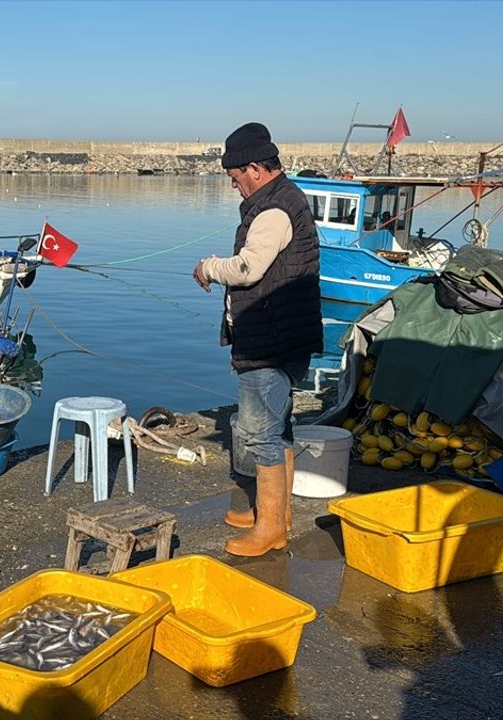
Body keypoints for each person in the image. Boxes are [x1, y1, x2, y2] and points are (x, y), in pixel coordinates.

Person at [193, 122, 322, 557]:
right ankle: (275, 516)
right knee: (278, 428)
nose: (235, 188)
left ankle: (270, 529)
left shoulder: (272, 210)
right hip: (287, 333)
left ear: (254, 168)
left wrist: (209, 268)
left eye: (235, 179)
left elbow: (249, 269)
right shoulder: (284, 200)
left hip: (270, 338)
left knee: (262, 433)